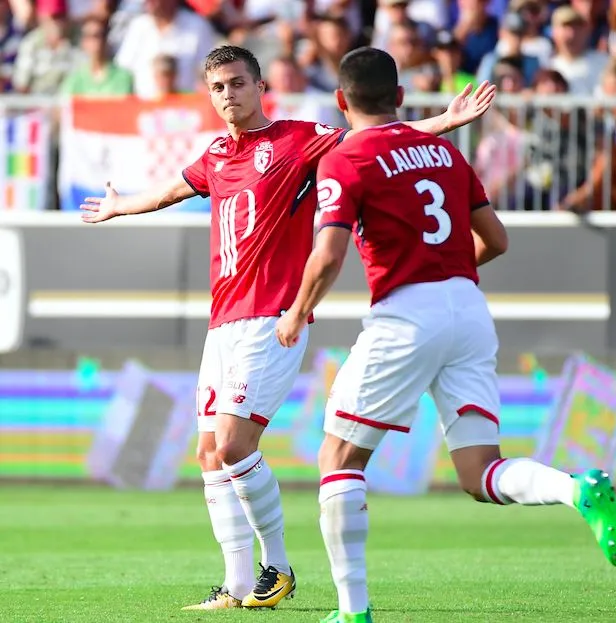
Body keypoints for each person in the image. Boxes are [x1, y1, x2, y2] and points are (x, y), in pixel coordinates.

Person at [78, 44, 497, 611]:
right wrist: (120, 206)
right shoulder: (217, 154)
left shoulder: (299, 140)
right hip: (222, 323)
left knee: (233, 444)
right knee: (208, 452)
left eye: (238, 83)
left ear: (259, 87)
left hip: (269, 315)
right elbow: (172, 191)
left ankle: (276, 566)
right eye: (219, 87)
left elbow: (371, 138)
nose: (229, 95)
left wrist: (442, 122)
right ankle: (236, 584)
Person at [274, 46, 616, 623]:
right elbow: (495, 240)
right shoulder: (443, 152)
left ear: (341, 102)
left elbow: (329, 253)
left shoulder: (345, 159)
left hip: (406, 313)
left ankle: (352, 611)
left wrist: (295, 311)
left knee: (339, 456)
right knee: (478, 470)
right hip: (468, 308)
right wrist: (443, 273)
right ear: (400, 98)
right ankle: (576, 489)